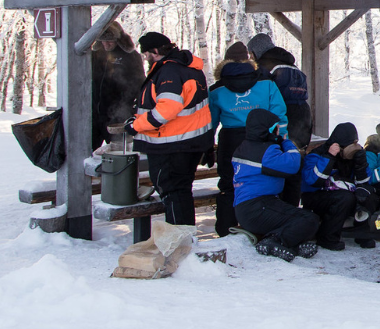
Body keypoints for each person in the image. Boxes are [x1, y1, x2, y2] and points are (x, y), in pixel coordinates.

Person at [129, 32, 212, 228]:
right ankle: (184, 240)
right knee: (181, 191)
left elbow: (167, 109)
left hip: (171, 144)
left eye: (147, 53)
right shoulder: (189, 68)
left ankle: (179, 243)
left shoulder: (170, 72)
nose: (146, 58)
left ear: (155, 51)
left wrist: (135, 126)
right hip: (190, 141)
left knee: (173, 193)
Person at [208, 41, 286, 236]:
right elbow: (279, 114)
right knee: (262, 182)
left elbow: (210, 122)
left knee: (229, 183)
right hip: (262, 138)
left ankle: (225, 229)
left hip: (231, 139)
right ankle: (259, 226)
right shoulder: (266, 84)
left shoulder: (217, 89)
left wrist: (207, 145)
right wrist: (280, 139)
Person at [231, 108, 320, 261]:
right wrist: (287, 142)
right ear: (269, 129)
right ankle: (274, 241)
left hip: (247, 207)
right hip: (257, 207)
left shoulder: (244, 147)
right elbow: (293, 163)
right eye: (277, 127)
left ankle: (290, 244)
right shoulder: (265, 151)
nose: (279, 129)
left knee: (295, 217)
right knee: (308, 219)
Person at [248, 33, 311, 205]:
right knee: (295, 163)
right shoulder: (293, 67)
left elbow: (264, 98)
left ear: (254, 52)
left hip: (282, 119)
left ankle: (279, 210)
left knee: (277, 164)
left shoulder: (265, 68)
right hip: (304, 117)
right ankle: (292, 208)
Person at [300, 123, 378, 250]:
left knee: (368, 194)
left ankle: (362, 234)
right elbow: (312, 180)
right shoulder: (317, 154)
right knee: (344, 198)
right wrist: (329, 157)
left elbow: (364, 181)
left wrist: (361, 165)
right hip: (314, 196)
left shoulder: (353, 156)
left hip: (342, 192)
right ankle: (327, 238)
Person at [91, 21, 145, 151]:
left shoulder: (131, 56)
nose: (106, 44)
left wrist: (129, 106)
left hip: (119, 114)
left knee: (120, 151)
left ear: (118, 40)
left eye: (110, 41)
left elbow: (139, 83)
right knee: (87, 153)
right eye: (102, 41)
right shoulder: (95, 54)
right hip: (94, 113)